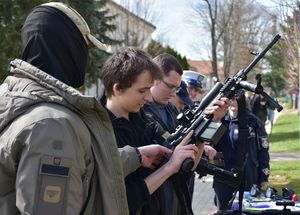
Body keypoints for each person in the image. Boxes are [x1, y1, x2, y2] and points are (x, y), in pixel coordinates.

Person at [0, 3, 165, 214]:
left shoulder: (15, 98)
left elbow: (81, 169)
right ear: (68, 48)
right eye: (84, 48)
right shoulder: (53, 123)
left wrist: (136, 156)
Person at [101, 47, 201, 215]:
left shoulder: (143, 121)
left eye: (149, 89)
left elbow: (177, 153)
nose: (148, 98)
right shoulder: (98, 131)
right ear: (118, 89)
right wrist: (169, 168)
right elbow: (124, 199)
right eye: (142, 90)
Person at [143, 53, 229, 212]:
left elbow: (189, 164)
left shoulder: (170, 109)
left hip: (177, 198)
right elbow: (168, 155)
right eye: (170, 86)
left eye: (176, 88)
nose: (174, 93)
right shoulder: (141, 114)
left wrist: (205, 130)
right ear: (154, 78)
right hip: (154, 202)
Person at [213, 94, 270, 210]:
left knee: (246, 209)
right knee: (223, 209)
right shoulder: (221, 121)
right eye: (231, 99)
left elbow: (263, 151)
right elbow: (212, 147)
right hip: (224, 176)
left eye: (237, 99)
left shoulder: (253, 122)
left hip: (248, 175)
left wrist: (263, 176)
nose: (234, 102)